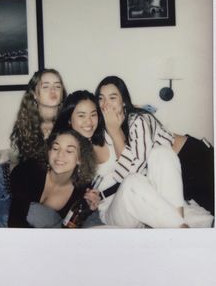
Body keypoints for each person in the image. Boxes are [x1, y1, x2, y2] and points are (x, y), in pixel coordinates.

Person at [54, 90, 213, 228]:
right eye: (81, 115)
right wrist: (89, 199)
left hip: (145, 194)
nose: (88, 122)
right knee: (132, 182)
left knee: (161, 153)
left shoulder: (109, 133)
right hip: (115, 209)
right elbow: (68, 189)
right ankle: (179, 231)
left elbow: (134, 162)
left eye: (93, 114)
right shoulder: (68, 149)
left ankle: (177, 224)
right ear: (69, 119)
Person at [94, 75, 214, 227]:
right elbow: (131, 177)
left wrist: (114, 131)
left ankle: (177, 230)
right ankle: (178, 230)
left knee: (161, 154)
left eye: (112, 97)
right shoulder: (102, 130)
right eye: (101, 98)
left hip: (190, 158)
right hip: (163, 176)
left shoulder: (137, 120)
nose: (106, 104)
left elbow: (135, 170)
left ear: (123, 101)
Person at [0, 68, 66, 227]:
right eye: (46, 86)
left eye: (57, 86)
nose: (53, 91)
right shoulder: (27, 122)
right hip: (0, 179)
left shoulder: (68, 125)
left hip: (20, 198)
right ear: (35, 93)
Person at [8, 129, 99, 228]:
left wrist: (89, 209)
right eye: (55, 148)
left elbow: (74, 226)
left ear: (80, 159)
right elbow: (15, 220)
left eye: (69, 151)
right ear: (49, 152)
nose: (60, 155)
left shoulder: (81, 192)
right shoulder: (30, 171)